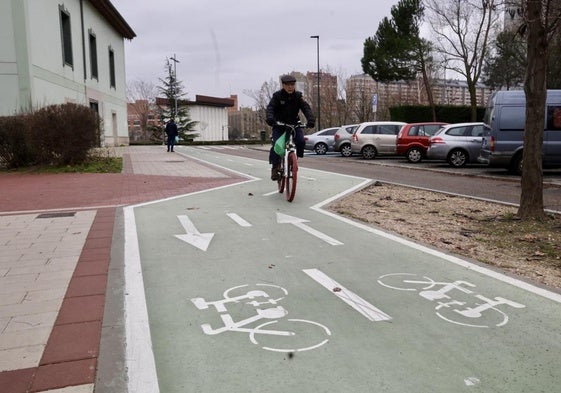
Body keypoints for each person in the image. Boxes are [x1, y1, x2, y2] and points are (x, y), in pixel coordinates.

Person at [266, 74, 315, 180]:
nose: (290, 87)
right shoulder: (277, 96)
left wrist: (311, 119)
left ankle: (294, 161)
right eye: (287, 85)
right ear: (283, 85)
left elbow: (306, 108)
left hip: (294, 124)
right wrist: (270, 118)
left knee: (301, 141)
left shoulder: (298, 96)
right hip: (279, 125)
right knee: (276, 145)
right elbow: (270, 108)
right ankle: (275, 168)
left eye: (292, 85)